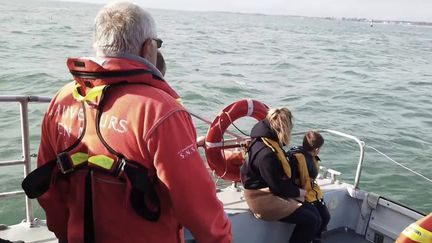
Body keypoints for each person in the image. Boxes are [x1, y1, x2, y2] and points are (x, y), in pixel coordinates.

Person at [22, 1, 231, 243]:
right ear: (148, 47)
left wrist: (65, 234)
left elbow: (49, 190)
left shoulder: (63, 99)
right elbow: (197, 206)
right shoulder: (161, 110)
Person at [240, 108, 320, 243]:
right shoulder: (266, 155)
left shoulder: (264, 140)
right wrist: (298, 191)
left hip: (270, 191)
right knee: (311, 220)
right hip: (261, 199)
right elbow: (278, 187)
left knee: (315, 213)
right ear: (284, 128)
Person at [287, 131, 331, 243]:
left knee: (326, 217)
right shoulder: (295, 158)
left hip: (312, 192)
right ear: (316, 149)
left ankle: (315, 238)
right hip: (301, 194)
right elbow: (292, 179)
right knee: (316, 220)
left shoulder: (310, 157)